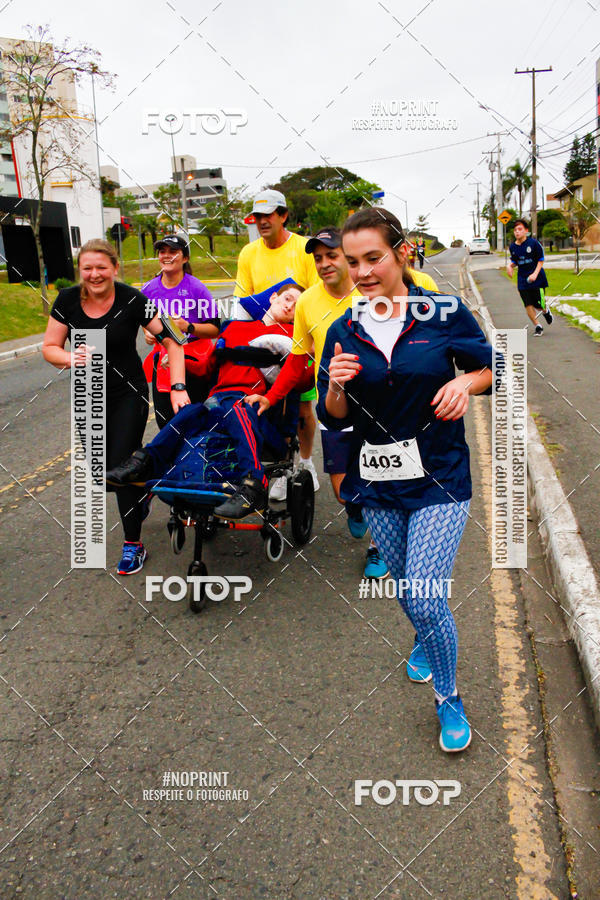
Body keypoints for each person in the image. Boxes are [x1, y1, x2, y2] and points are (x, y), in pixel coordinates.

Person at [317, 208, 494, 753]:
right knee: (409, 591)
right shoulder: (343, 330)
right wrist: (338, 386)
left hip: (440, 476)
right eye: (352, 263)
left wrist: (466, 381)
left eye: (374, 258)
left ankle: (449, 697)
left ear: (401, 252)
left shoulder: (442, 313)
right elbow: (334, 415)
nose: (363, 272)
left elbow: (496, 365)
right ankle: (424, 632)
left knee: (423, 589)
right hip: (380, 481)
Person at [246, 226, 441, 580]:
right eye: (317, 258)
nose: (323, 263)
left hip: (384, 412)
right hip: (335, 410)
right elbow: (297, 359)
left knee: (384, 483)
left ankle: (377, 547)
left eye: (331, 255)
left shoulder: (377, 293)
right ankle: (356, 508)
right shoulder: (308, 302)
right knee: (342, 491)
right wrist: (271, 396)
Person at [42, 238, 190, 575]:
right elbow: (50, 346)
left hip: (128, 392)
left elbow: (173, 339)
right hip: (89, 391)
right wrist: (69, 357)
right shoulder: (67, 299)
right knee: (102, 475)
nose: (94, 275)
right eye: (87, 268)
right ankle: (147, 481)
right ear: (80, 271)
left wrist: (178, 385)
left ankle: (133, 544)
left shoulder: (133, 299)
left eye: (101, 268)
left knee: (120, 468)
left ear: (114, 268)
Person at [106, 285, 312, 520]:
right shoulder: (233, 328)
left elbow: (303, 381)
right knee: (189, 412)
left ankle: (254, 483)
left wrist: (307, 353)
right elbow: (207, 368)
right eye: (287, 299)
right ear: (273, 297)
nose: (289, 306)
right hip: (217, 401)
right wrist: (181, 361)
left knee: (236, 408)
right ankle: (144, 461)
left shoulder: (294, 337)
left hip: (255, 408)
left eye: (296, 306)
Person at [234, 189, 321, 492]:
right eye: (257, 217)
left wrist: (306, 340)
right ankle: (272, 467)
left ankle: (305, 462)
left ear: (283, 216)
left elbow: (315, 296)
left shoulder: (303, 248)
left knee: (302, 410)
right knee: (260, 401)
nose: (262, 221)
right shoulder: (249, 252)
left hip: (300, 337)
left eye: (268, 215)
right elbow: (242, 301)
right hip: (265, 333)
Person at [142, 234, 220, 427]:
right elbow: (143, 322)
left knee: (196, 422)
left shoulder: (196, 288)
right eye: (162, 251)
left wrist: (188, 327)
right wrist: (148, 333)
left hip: (195, 362)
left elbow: (215, 329)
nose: (166, 256)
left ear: (185, 258)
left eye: (173, 252)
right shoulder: (148, 290)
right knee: (167, 423)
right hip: (164, 362)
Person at [507, 218, 553, 336]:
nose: (517, 232)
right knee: (527, 304)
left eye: (520, 229)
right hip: (522, 279)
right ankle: (538, 326)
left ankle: (546, 311)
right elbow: (516, 261)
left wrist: (535, 274)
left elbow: (540, 260)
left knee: (539, 305)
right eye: (515, 230)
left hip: (537, 279)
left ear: (526, 230)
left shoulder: (533, 243)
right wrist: (510, 266)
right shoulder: (513, 247)